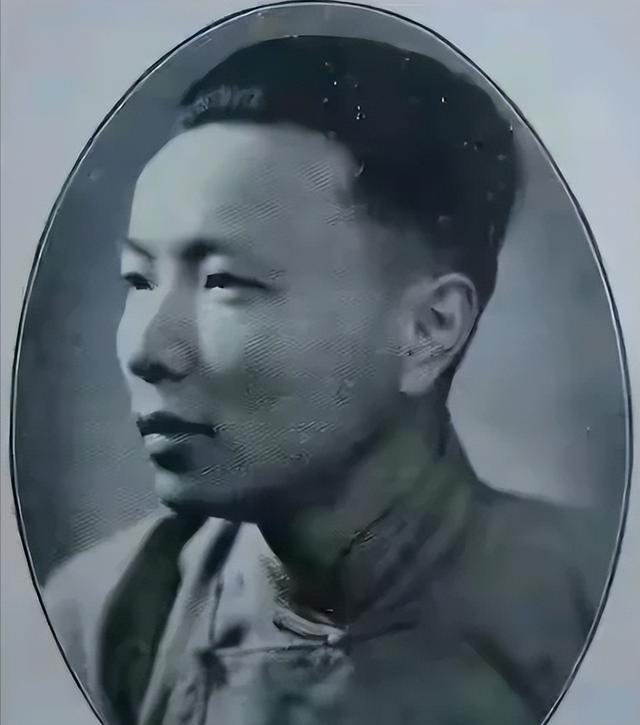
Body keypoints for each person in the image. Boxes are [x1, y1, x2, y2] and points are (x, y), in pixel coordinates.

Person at [45, 36, 604, 725]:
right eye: (138, 280)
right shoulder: (108, 616)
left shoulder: (594, 607)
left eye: (224, 281)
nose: (148, 350)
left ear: (428, 329)